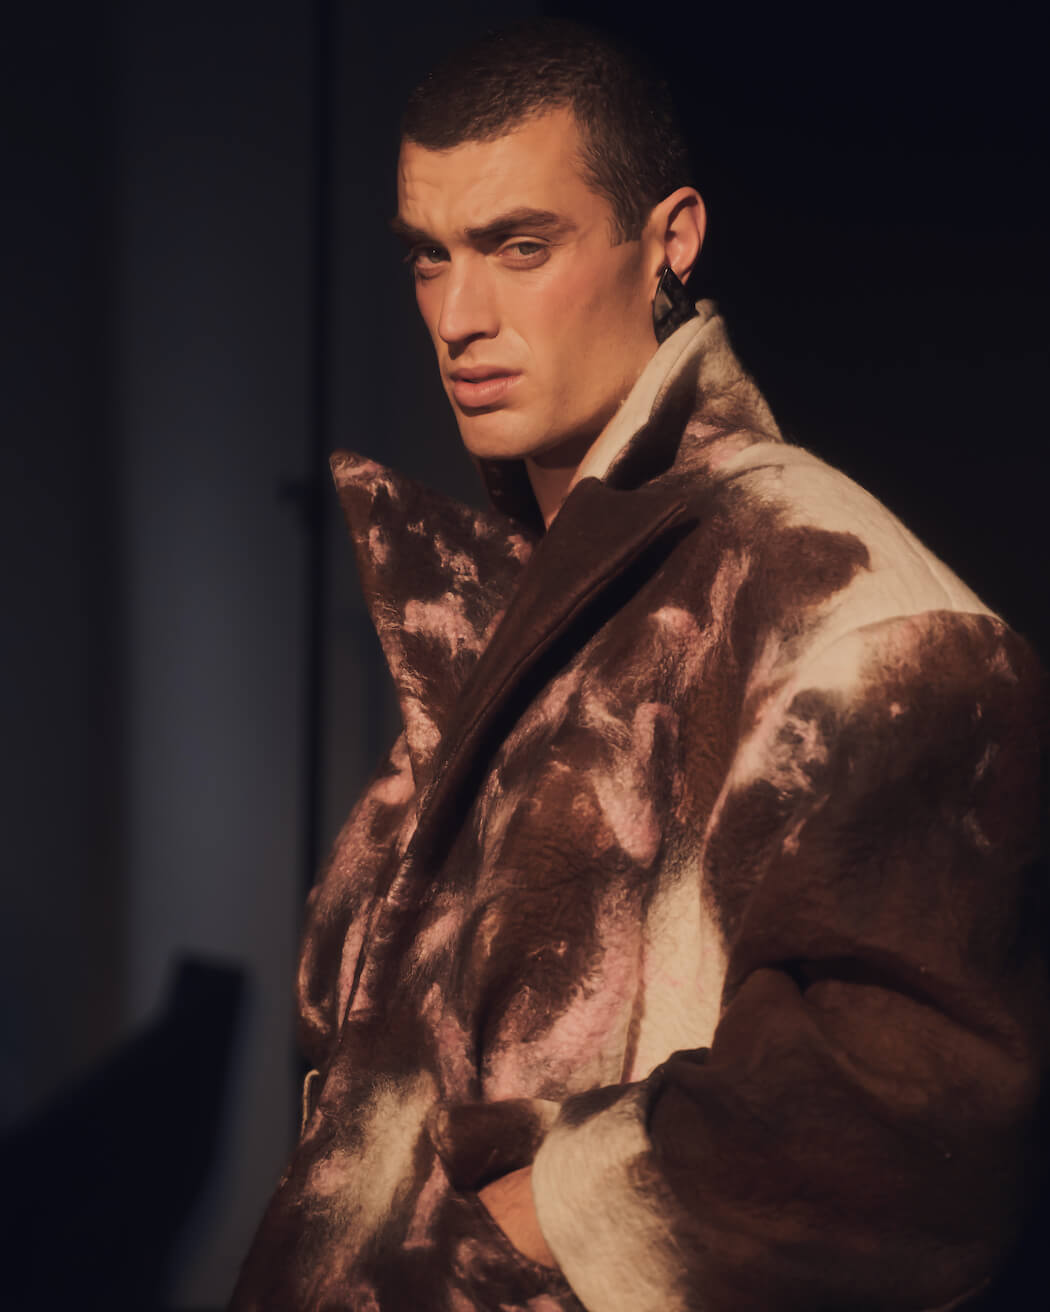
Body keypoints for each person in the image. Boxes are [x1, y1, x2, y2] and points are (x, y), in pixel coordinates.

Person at [231, 20, 1048, 1311]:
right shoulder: (534, 604)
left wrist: (532, 1224)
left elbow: (900, 1121)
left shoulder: (850, 611)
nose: (459, 317)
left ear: (669, 240)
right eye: (429, 256)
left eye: (520, 247)